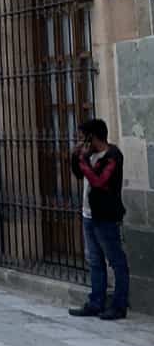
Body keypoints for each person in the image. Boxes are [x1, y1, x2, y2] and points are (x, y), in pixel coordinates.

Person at [69, 119, 128, 320]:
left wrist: (84, 162)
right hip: (89, 214)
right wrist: (76, 156)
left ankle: (119, 306)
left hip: (106, 217)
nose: (81, 141)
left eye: (83, 137)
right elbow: (78, 174)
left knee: (116, 261)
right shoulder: (90, 155)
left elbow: (100, 182)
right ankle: (96, 302)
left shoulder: (113, 156)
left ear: (92, 136)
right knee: (94, 261)